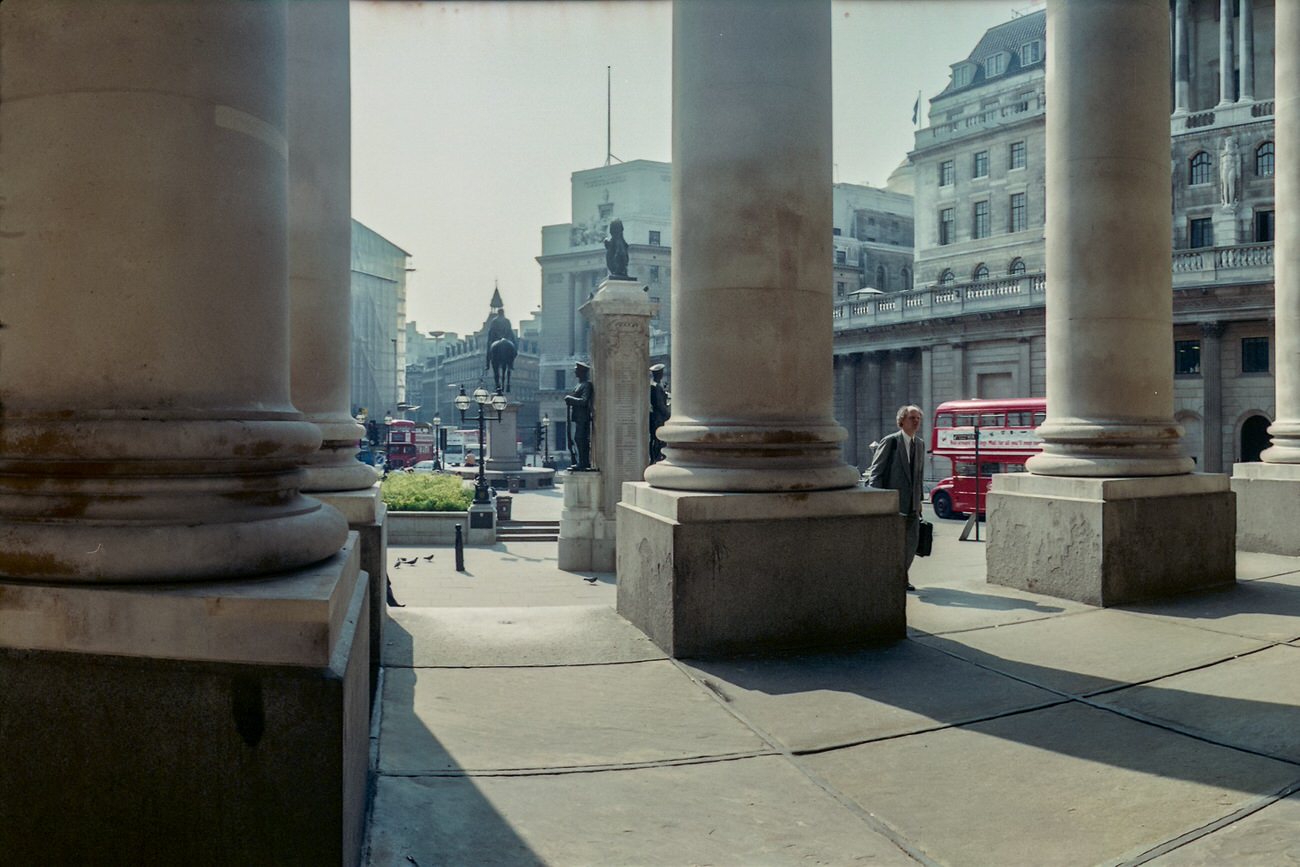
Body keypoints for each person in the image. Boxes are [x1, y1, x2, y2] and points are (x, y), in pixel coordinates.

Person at [867, 405, 925, 592]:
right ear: (901, 421)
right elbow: (876, 473)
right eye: (912, 418)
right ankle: (892, 578)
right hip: (894, 504)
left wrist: (920, 500)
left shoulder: (920, 444)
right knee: (892, 546)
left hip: (913, 505)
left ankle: (902, 576)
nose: (916, 421)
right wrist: (879, 502)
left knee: (910, 545)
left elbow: (919, 476)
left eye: (918, 418)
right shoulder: (891, 442)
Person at [565, 361, 594, 470]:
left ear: (582, 372)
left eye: (577, 370)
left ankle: (583, 462)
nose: (575, 371)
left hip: (583, 417)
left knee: (581, 439)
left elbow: (584, 401)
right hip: (578, 417)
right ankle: (581, 461)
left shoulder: (587, 385)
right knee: (578, 439)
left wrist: (570, 399)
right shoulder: (579, 385)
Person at [648, 363, 670, 464]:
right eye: (660, 372)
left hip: (657, 415)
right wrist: (668, 414)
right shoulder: (655, 386)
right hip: (658, 416)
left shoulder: (656, 385)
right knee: (657, 439)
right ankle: (655, 457)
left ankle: (655, 457)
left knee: (656, 438)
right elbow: (659, 404)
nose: (661, 374)